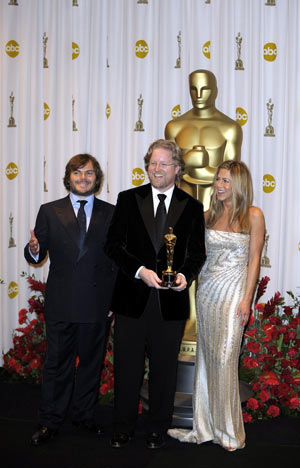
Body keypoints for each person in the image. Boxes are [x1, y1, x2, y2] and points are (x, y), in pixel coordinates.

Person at [104, 139, 206, 449]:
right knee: (127, 367)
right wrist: (140, 272)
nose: (156, 168)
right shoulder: (127, 199)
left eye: (163, 163)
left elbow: (196, 254)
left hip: (170, 304)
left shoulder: (192, 207)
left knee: (164, 370)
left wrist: (185, 276)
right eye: (152, 162)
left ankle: (157, 428)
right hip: (131, 300)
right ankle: (123, 426)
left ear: (177, 169)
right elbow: (113, 246)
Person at [168, 160, 265, 451]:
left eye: (225, 181)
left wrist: (248, 299)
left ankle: (229, 432)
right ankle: (205, 427)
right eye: (218, 180)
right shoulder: (207, 215)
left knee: (224, 359)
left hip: (234, 293)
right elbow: (198, 255)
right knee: (207, 361)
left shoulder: (253, 216)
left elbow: (254, 260)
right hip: (207, 292)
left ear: (239, 184)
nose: (219, 186)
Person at [24, 153, 117, 446]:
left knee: (91, 364)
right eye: (77, 174)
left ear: (96, 179)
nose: (83, 179)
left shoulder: (111, 213)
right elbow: (35, 254)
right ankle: (50, 421)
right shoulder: (49, 211)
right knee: (57, 365)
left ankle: (84, 417)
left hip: (96, 302)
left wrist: (113, 299)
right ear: (68, 178)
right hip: (62, 302)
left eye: (89, 174)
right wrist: (35, 249)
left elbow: (116, 261)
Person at [165, 68, 243, 344]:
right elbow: (169, 173)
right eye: (193, 89)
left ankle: (208, 325)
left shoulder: (229, 128)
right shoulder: (174, 127)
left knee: (211, 264)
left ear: (216, 89)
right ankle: (184, 324)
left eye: (205, 89)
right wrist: (192, 168)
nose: (198, 95)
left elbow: (228, 177)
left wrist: (199, 166)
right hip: (182, 204)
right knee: (177, 260)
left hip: (215, 206)